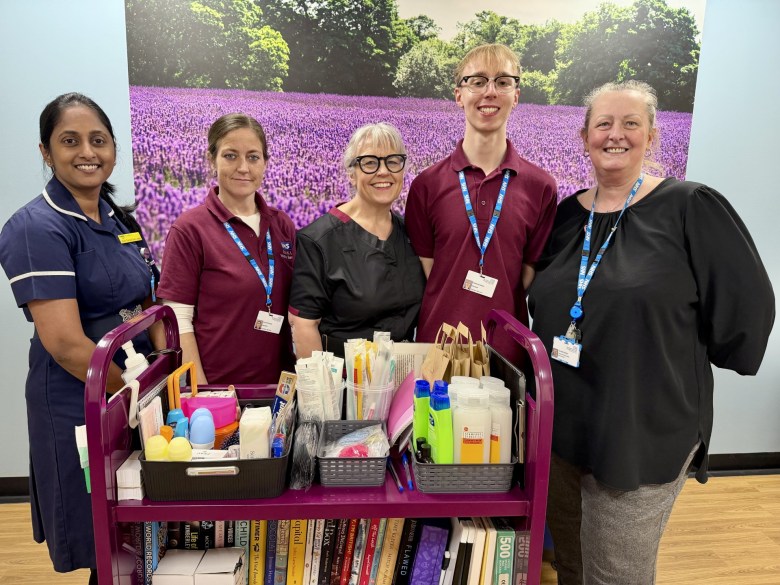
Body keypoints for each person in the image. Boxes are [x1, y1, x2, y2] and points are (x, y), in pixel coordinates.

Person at [528, 80, 775, 585]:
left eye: (630, 123)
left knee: (615, 572)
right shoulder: (566, 214)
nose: (615, 135)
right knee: (571, 562)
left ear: (653, 136)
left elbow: (747, 304)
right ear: (584, 136)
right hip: (565, 425)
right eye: (603, 124)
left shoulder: (690, 205)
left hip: (641, 426)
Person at [0, 93, 162, 584]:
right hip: (84, 399)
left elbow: (145, 300)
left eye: (98, 140)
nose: (87, 151)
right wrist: (134, 398)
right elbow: (67, 345)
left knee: (134, 532)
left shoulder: (117, 218)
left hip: (130, 391)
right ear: (46, 151)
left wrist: (160, 384)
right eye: (69, 141)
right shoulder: (36, 227)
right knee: (103, 538)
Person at [404, 43, 558, 361]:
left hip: (506, 357)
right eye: (477, 81)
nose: (489, 92)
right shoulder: (426, 185)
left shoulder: (541, 187)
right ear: (459, 94)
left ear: (516, 95)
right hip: (436, 352)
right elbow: (432, 273)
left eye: (502, 82)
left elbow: (524, 276)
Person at [157, 113, 296, 384]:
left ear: (265, 163)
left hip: (280, 388)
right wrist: (203, 393)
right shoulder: (190, 229)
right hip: (221, 389)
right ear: (212, 160)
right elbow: (178, 321)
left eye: (253, 157)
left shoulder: (282, 225)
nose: (243, 167)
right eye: (231, 156)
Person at [288, 122, 425, 359]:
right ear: (352, 174)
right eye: (370, 162)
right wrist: (324, 392)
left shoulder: (412, 233)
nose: (383, 172)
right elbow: (303, 325)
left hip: (404, 377)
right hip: (345, 383)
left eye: (393, 161)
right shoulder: (318, 240)